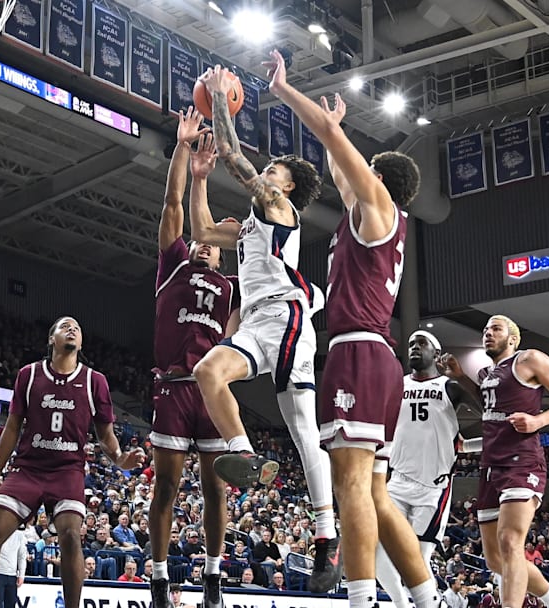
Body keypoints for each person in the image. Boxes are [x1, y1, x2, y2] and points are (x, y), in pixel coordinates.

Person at [262, 49, 433, 606]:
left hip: (358, 354)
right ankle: (427, 599)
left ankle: (360, 600)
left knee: (351, 487)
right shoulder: (373, 219)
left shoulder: (378, 203)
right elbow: (338, 167)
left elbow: (340, 155)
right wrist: (333, 136)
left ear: (378, 178)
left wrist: (288, 91)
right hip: (372, 356)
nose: (349, 176)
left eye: (363, 172)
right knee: (377, 496)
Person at [189, 67, 340, 591]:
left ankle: (326, 540)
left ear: (287, 184)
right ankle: (244, 452)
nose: (265, 174)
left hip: (288, 317)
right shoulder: (251, 222)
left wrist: (221, 104)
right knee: (208, 371)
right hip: (257, 321)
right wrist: (198, 177)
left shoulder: (280, 208)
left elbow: (236, 158)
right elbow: (202, 230)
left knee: (303, 432)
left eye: (272, 169)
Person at [0, 316, 145, 608]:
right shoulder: (29, 374)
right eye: (65, 326)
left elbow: (105, 435)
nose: (72, 329)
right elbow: (12, 427)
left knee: (71, 536)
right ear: (52, 339)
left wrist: (120, 459)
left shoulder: (94, 381)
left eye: (77, 327)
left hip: (67, 472)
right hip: (27, 469)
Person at [149, 105, 239, 608]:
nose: (204, 248)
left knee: (215, 490)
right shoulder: (173, 266)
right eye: (201, 244)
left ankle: (211, 577)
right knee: (167, 487)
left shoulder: (229, 290)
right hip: (174, 386)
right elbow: (172, 208)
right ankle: (160, 578)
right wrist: (183, 149)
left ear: (220, 252)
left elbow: (234, 345)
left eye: (212, 245)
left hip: (210, 392)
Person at [441, 315, 549, 608]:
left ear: (513, 338)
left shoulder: (530, 359)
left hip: (522, 462)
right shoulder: (486, 374)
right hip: (490, 466)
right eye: (485, 330)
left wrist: (538, 420)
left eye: (495, 329)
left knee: (510, 542)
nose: (488, 333)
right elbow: (489, 405)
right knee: (495, 559)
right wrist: (461, 378)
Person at [373, 330, 482, 606]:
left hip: (433, 488)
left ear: (436, 353)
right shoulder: (396, 385)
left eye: (422, 344)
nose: (414, 348)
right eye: (411, 344)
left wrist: (461, 377)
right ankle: (402, 604)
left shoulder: (450, 386)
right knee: (377, 555)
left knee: (417, 561)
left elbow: (488, 411)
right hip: (397, 481)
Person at [0, 525, 27, 608]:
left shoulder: (19, 535)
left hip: (12, 576)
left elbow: (22, 556)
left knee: (11, 605)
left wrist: (21, 575)